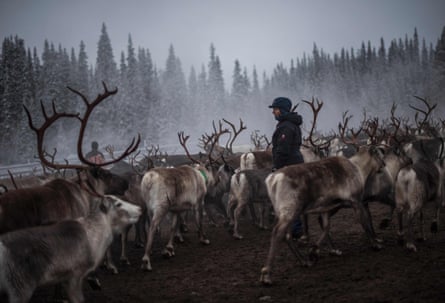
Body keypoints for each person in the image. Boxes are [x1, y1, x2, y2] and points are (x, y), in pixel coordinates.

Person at [268, 97, 304, 239]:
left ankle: (295, 230)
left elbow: (282, 150)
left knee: (289, 198)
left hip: (289, 167)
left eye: (275, 110)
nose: (273, 113)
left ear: (281, 110)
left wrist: (276, 168)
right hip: (294, 164)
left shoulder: (286, 127)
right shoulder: (289, 124)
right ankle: (294, 228)